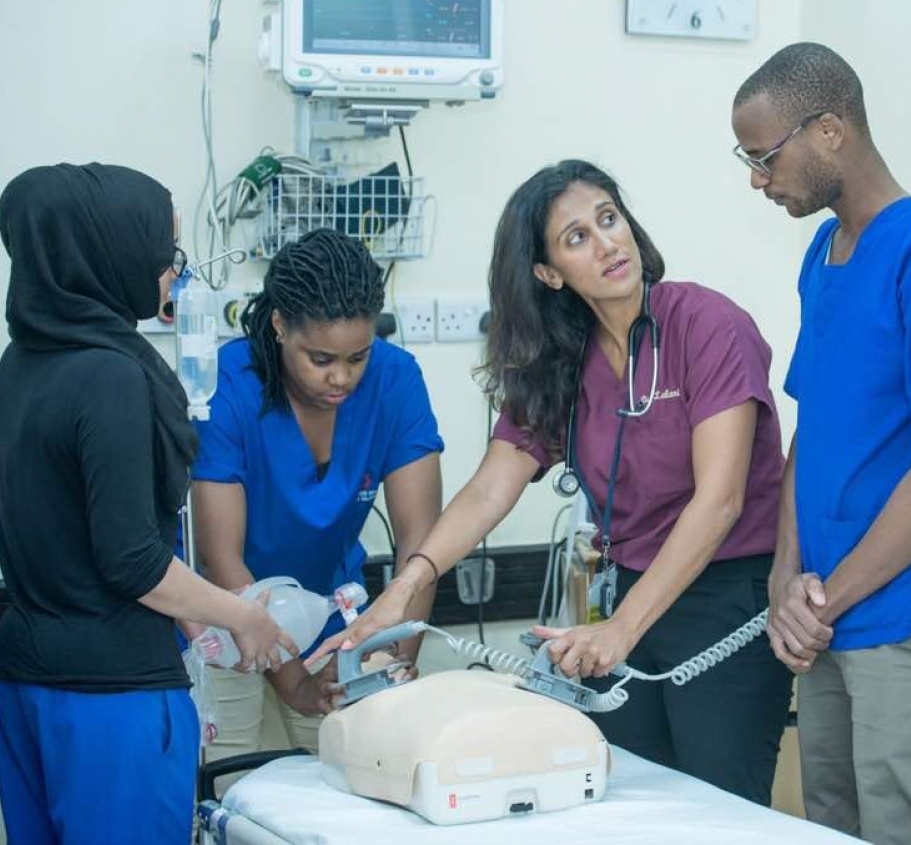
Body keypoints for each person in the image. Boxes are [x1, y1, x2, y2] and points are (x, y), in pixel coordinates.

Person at [311, 159, 793, 805]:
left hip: (724, 598)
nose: (607, 244)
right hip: (626, 598)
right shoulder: (563, 361)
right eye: (576, 238)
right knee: (626, 805)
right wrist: (403, 591)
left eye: (608, 219)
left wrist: (619, 630)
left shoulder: (706, 326)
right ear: (548, 273)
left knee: (716, 814)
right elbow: (489, 490)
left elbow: (721, 500)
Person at [730, 43, 911, 845]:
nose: (758, 179)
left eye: (764, 156)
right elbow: (812, 432)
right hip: (827, 605)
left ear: (828, 129)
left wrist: (827, 598)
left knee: (901, 830)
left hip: (909, 607)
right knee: (833, 827)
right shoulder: (824, 253)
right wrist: (787, 579)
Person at [0, 163, 292, 845]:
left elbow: (65, 530)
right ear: (107, 251)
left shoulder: (19, 366)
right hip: (112, 702)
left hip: (24, 684)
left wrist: (191, 619)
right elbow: (131, 560)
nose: (171, 270)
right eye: (163, 250)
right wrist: (238, 616)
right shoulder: (110, 376)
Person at [193, 227, 444, 760]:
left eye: (358, 356)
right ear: (281, 326)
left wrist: (391, 660)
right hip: (225, 618)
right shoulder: (226, 384)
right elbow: (220, 559)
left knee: (351, 783)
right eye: (321, 358)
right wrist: (296, 684)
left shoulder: (396, 381)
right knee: (233, 790)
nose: (342, 378)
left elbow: (420, 546)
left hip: (333, 619)